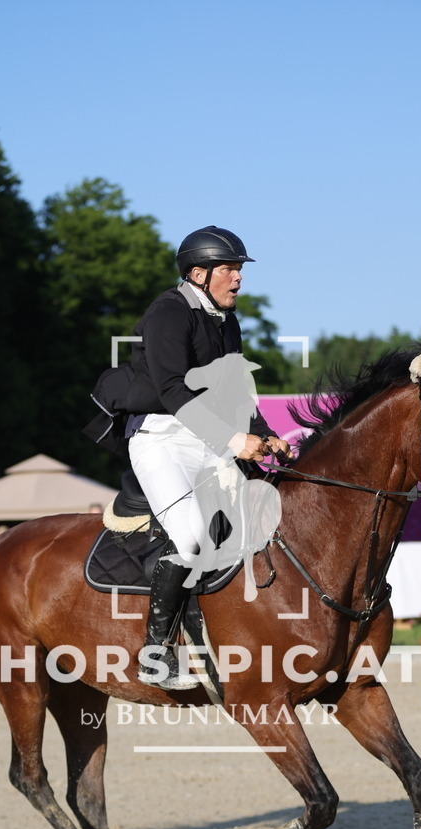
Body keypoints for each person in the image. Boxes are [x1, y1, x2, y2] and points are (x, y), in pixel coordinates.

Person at [121, 226, 293, 690]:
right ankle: (155, 653)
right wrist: (236, 442)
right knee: (193, 536)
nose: (239, 278)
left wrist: (266, 435)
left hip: (208, 437)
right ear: (198, 273)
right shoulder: (167, 314)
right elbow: (173, 391)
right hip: (161, 437)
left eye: (239, 269)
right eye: (230, 269)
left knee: (265, 516)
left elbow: (237, 391)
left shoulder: (226, 320)